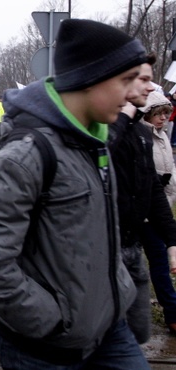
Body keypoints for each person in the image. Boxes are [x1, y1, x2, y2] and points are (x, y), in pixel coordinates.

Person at [0, 19, 151, 368]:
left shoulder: (98, 142)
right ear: (91, 78)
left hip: (109, 328)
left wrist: (117, 294)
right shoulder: (28, 155)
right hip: (46, 349)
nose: (129, 94)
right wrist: (50, 319)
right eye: (124, 80)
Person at [109, 56, 176, 344]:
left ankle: (171, 312)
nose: (151, 87)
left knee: (136, 332)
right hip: (109, 244)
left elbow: (153, 184)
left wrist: (172, 236)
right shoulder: (112, 131)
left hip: (141, 228)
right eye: (144, 80)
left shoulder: (144, 135)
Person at [141, 92, 176, 334]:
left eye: (166, 113)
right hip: (144, 213)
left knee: (161, 261)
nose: (164, 118)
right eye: (159, 113)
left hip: (161, 206)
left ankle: (171, 312)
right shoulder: (140, 136)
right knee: (158, 261)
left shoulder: (163, 136)